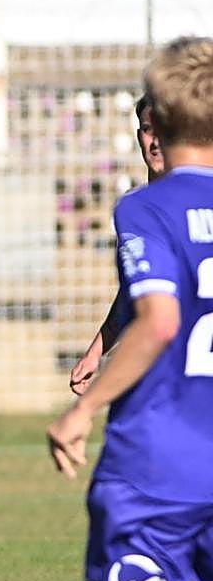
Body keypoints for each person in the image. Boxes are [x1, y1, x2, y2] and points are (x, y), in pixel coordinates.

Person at [47, 35, 213, 581]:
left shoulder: (148, 209)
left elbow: (159, 318)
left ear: (158, 121)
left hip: (156, 469)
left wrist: (84, 407)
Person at [69, 95, 166, 395]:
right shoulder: (134, 212)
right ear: (139, 136)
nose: (156, 141)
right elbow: (133, 292)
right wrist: (96, 351)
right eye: (149, 130)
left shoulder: (201, 204)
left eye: (165, 130)